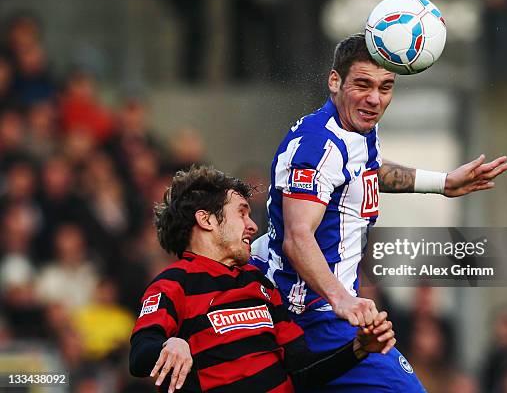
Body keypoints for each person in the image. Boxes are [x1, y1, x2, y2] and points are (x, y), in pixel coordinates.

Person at [251, 33, 507, 392]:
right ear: (334, 81)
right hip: (312, 316)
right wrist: (342, 300)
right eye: (363, 84)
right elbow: (298, 237)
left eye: (386, 87)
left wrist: (443, 183)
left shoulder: (354, 132)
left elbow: (366, 169)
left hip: (329, 310)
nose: (375, 99)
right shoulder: (317, 146)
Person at [129, 165, 397, 393]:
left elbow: (302, 373)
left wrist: (359, 348)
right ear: (206, 219)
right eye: (241, 212)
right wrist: (170, 344)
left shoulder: (260, 284)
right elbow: (140, 355)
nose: (253, 225)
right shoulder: (174, 283)